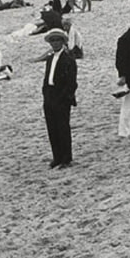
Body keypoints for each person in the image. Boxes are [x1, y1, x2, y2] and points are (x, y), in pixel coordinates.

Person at [41, 28, 77, 169]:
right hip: (49, 95)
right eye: (53, 41)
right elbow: (47, 78)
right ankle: (57, 157)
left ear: (62, 42)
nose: (55, 43)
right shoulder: (50, 58)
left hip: (61, 96)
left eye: (57, 40)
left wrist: (65, 98)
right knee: (52, 128)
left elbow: (71, 83)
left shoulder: (68, 59)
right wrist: (45, 94)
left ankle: (66, 158)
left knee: (62, 128)